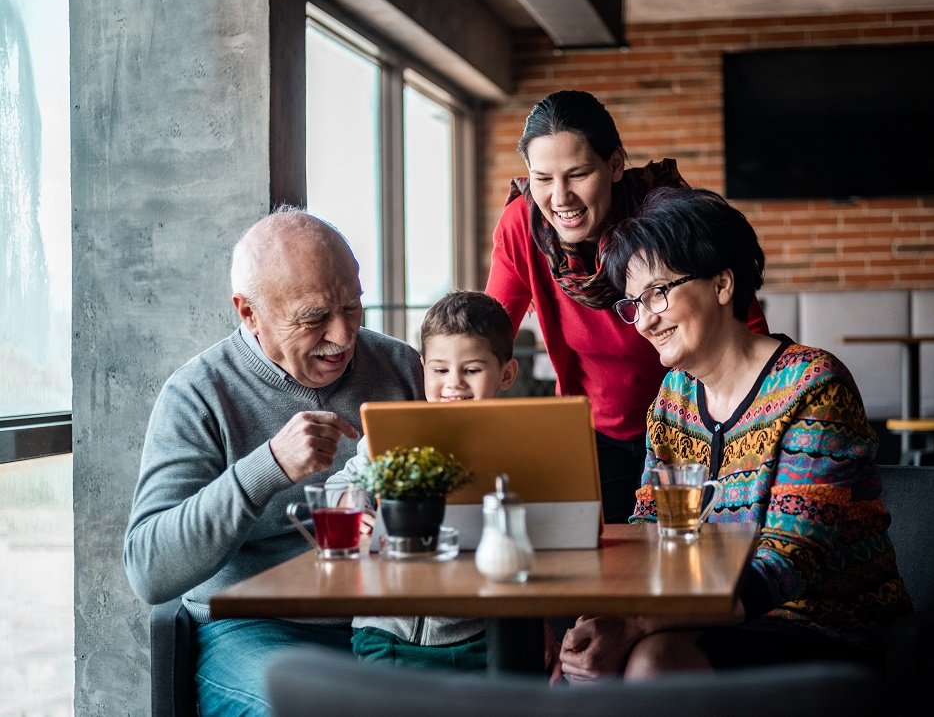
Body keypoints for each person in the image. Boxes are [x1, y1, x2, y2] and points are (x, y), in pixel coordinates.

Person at [557, 187, 912, 682]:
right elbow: (648, 526)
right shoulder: (672, 399)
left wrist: (639, 623)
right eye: (633, 303)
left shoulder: (811, 384)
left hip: (826, 627)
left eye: (658, 293)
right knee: (589, 657)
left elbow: (791, 559)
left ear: (723, 284)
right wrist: (611, 617)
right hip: (713, 621)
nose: (645, 320)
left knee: (650, 664)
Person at [122, 208, 424, 716]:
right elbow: (148, 569)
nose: (343, 335)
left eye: (353, 307)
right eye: (313, 318)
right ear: (248, 313)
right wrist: (267, 468)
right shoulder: (198, 394)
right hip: (253, 630)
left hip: (393, 624)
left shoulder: (400, 367)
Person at [486, 90, 770, 523]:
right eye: (542, 178)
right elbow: (488, 334)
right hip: (593, 430)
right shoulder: (523, 228)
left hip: (691, 419)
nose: (560, 197)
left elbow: (739, 322)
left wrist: (764, 411)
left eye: (578, 174)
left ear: (615, 165)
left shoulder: (665, 220)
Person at [331, 290, 518, 670]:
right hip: (387, 630)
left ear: (507, 373)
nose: (454, 385)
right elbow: (342, 485)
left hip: (480, 634)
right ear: (422, 368)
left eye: (471, 370)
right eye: (440, 370)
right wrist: (350, 509)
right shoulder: (393, 433)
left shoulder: (521, 446)